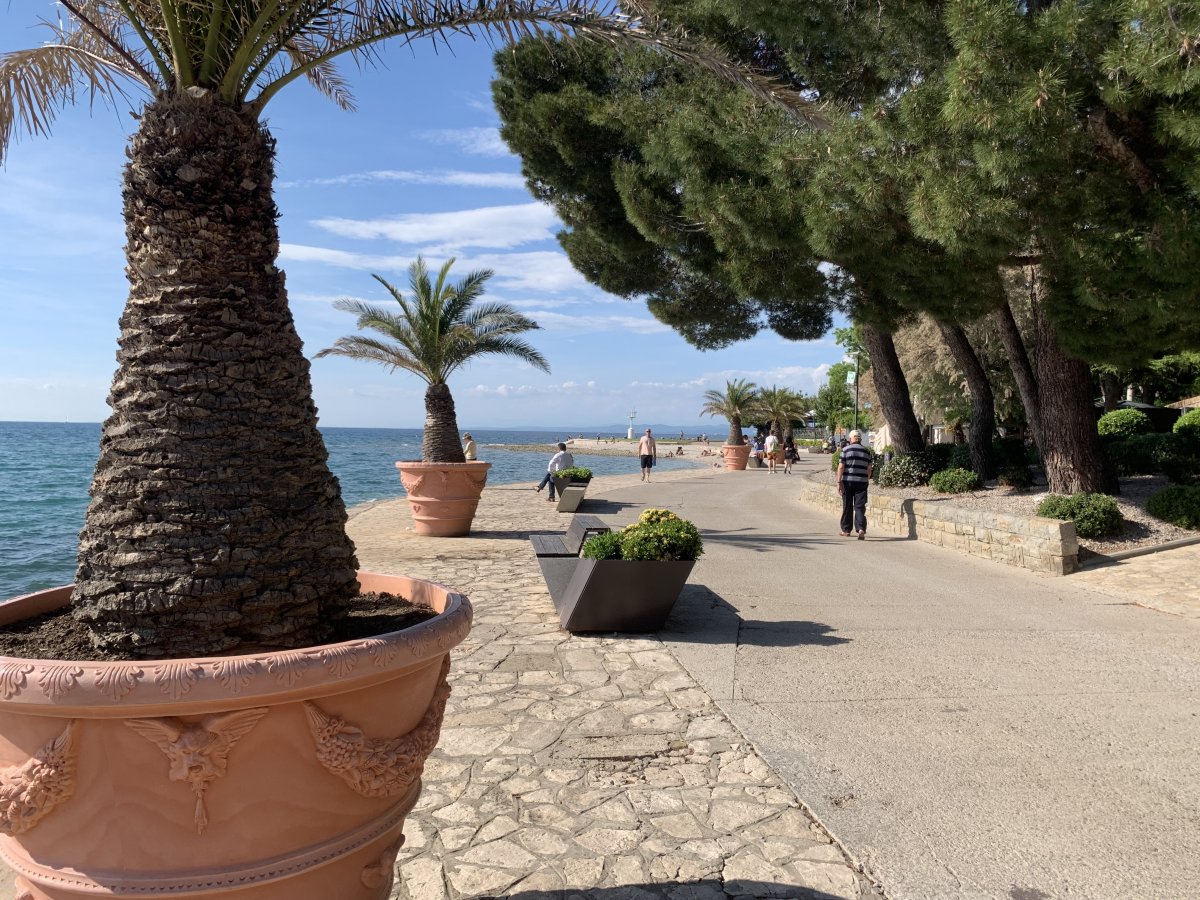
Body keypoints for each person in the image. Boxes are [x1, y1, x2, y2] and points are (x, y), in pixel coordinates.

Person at [836, 429, 874, 539]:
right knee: (860, 506)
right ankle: (861, 528)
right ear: (860, 439)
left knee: (847, 505)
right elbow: (869, 468)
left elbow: (841, 467)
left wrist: (838, 482)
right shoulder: (866, 451)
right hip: (862, 482)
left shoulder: (845, 450)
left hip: (847, 482)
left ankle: (846, 530)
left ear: (850, 439)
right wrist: (866, 479)